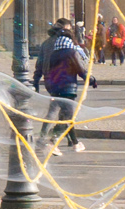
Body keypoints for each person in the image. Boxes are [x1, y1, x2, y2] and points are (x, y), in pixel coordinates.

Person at [30, 17, 89, 155]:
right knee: (64, 111)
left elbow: (39, 64)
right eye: (69, 29)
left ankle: (72, 140)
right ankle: (48, 140)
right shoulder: (65, 43)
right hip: (63, 81)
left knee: (61, 109)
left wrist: (36, 81)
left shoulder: (46, 43)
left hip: (50, 80)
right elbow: (80, 63)